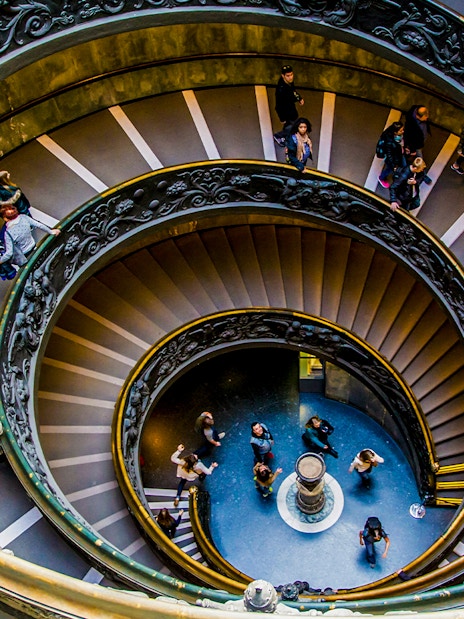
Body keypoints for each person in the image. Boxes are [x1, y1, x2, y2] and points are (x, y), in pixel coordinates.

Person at [273, 65, 304, 147]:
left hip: (291, 108)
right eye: (288, 76)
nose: (290, 77)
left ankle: (285, 136)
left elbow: (293, 91)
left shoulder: (289, 83)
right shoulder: (281, 90)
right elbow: (279, 105)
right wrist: (282, 118)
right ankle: (279, 136)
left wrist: (299, 98)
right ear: (283, 76)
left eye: (291, 75)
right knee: (293, 124)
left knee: (290, 124)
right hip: (287, 111)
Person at [377, 121, 406, 188]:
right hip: (393, 158)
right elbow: (390, 156)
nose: (403, 131)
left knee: (403, 164)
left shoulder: (396, 137)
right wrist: (393, 166)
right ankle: (381, 178)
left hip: (398, 154)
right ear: (395, 132)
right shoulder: (390, 143)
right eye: (401, 130)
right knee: (389, 169)